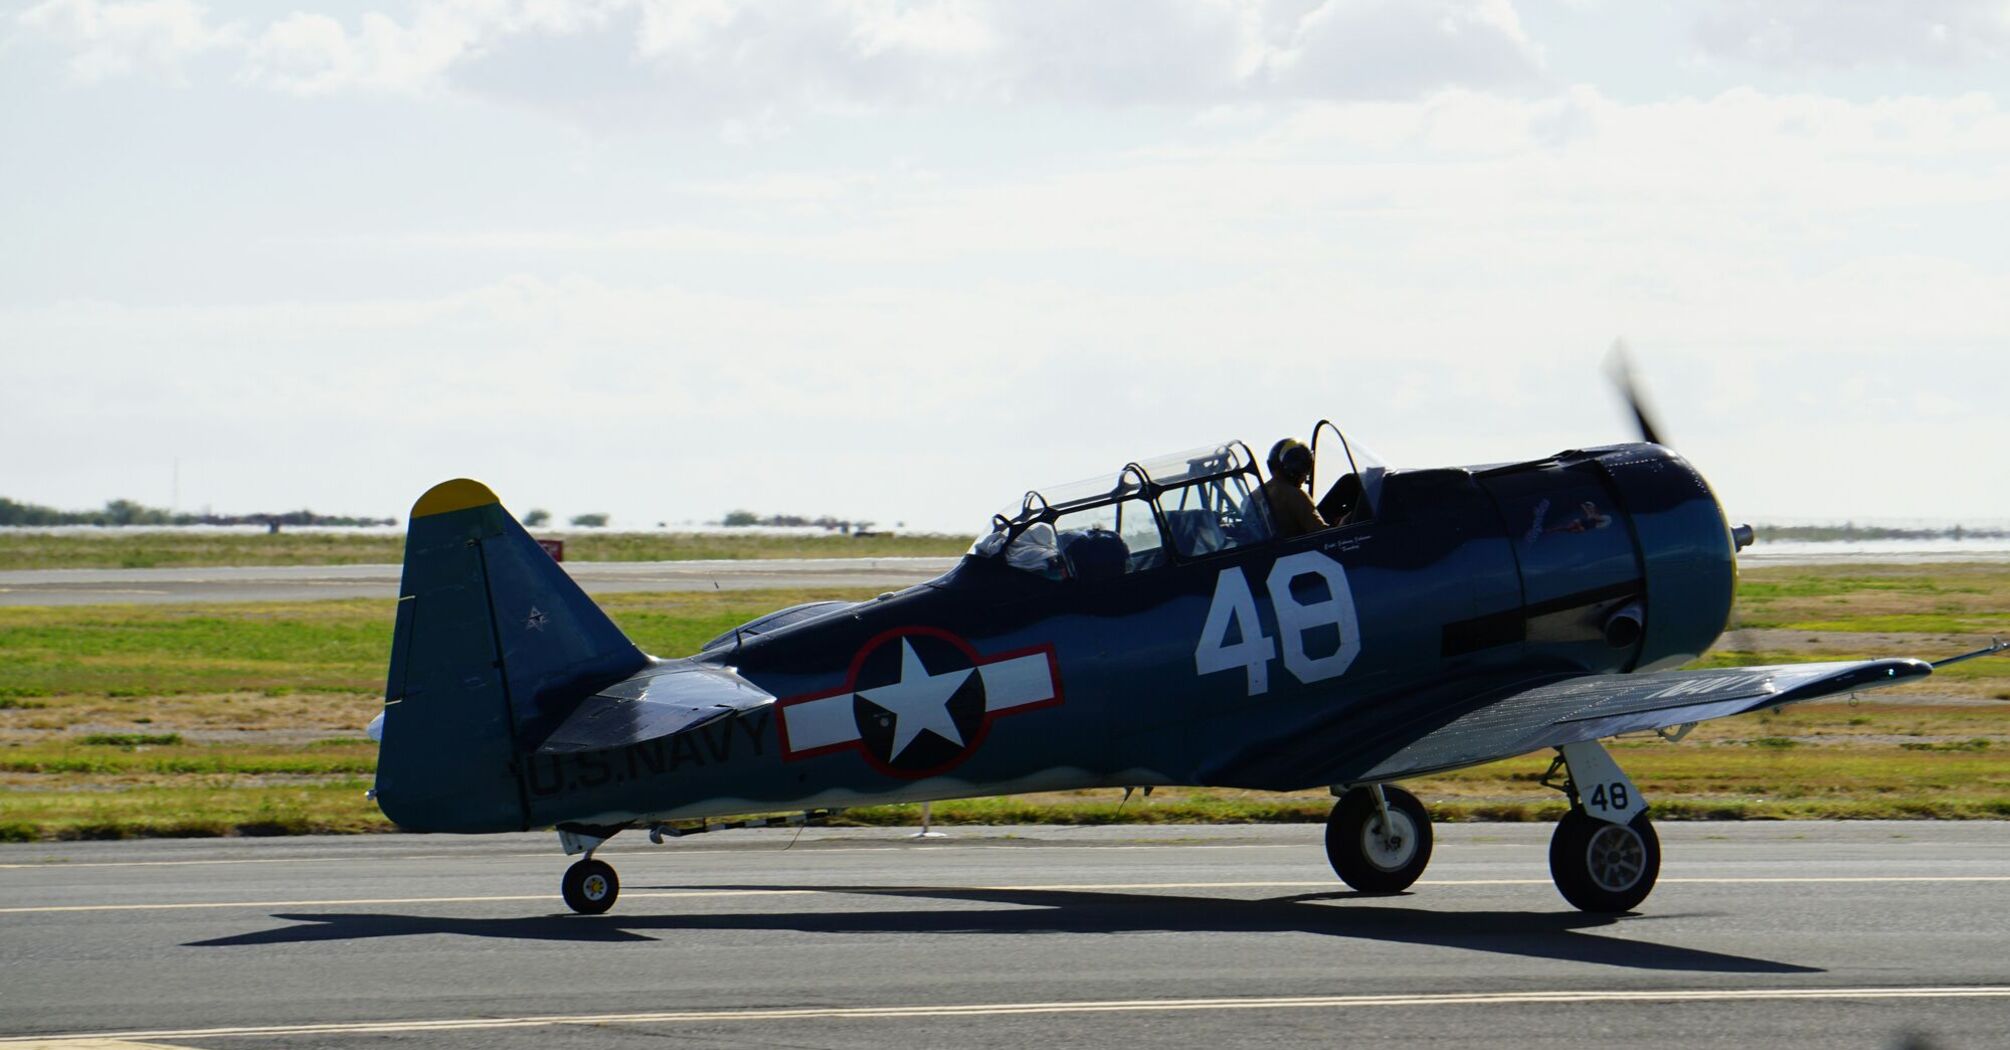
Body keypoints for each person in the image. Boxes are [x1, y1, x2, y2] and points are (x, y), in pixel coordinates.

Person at [1260, 438, 1327, 538]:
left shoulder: (1256, 495)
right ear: (1294, 468)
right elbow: (1323, 535)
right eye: (1305, 468)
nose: (1305, 477)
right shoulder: (1295, 495)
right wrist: (1344, 522)